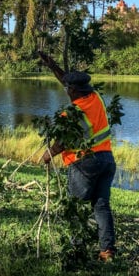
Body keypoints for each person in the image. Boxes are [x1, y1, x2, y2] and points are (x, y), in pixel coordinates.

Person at [39, 56, 117, 262]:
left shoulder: (72, 113)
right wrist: (52, 65)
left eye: (68, 89)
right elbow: (66, 79)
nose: (66, 91)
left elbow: (62, 142)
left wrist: (48, 155)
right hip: (107, 161)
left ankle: (76, 250)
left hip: (84, 164)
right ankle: (106, 251)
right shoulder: (96, 97)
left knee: (75, 208)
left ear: (73, 92)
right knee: (101, 206)